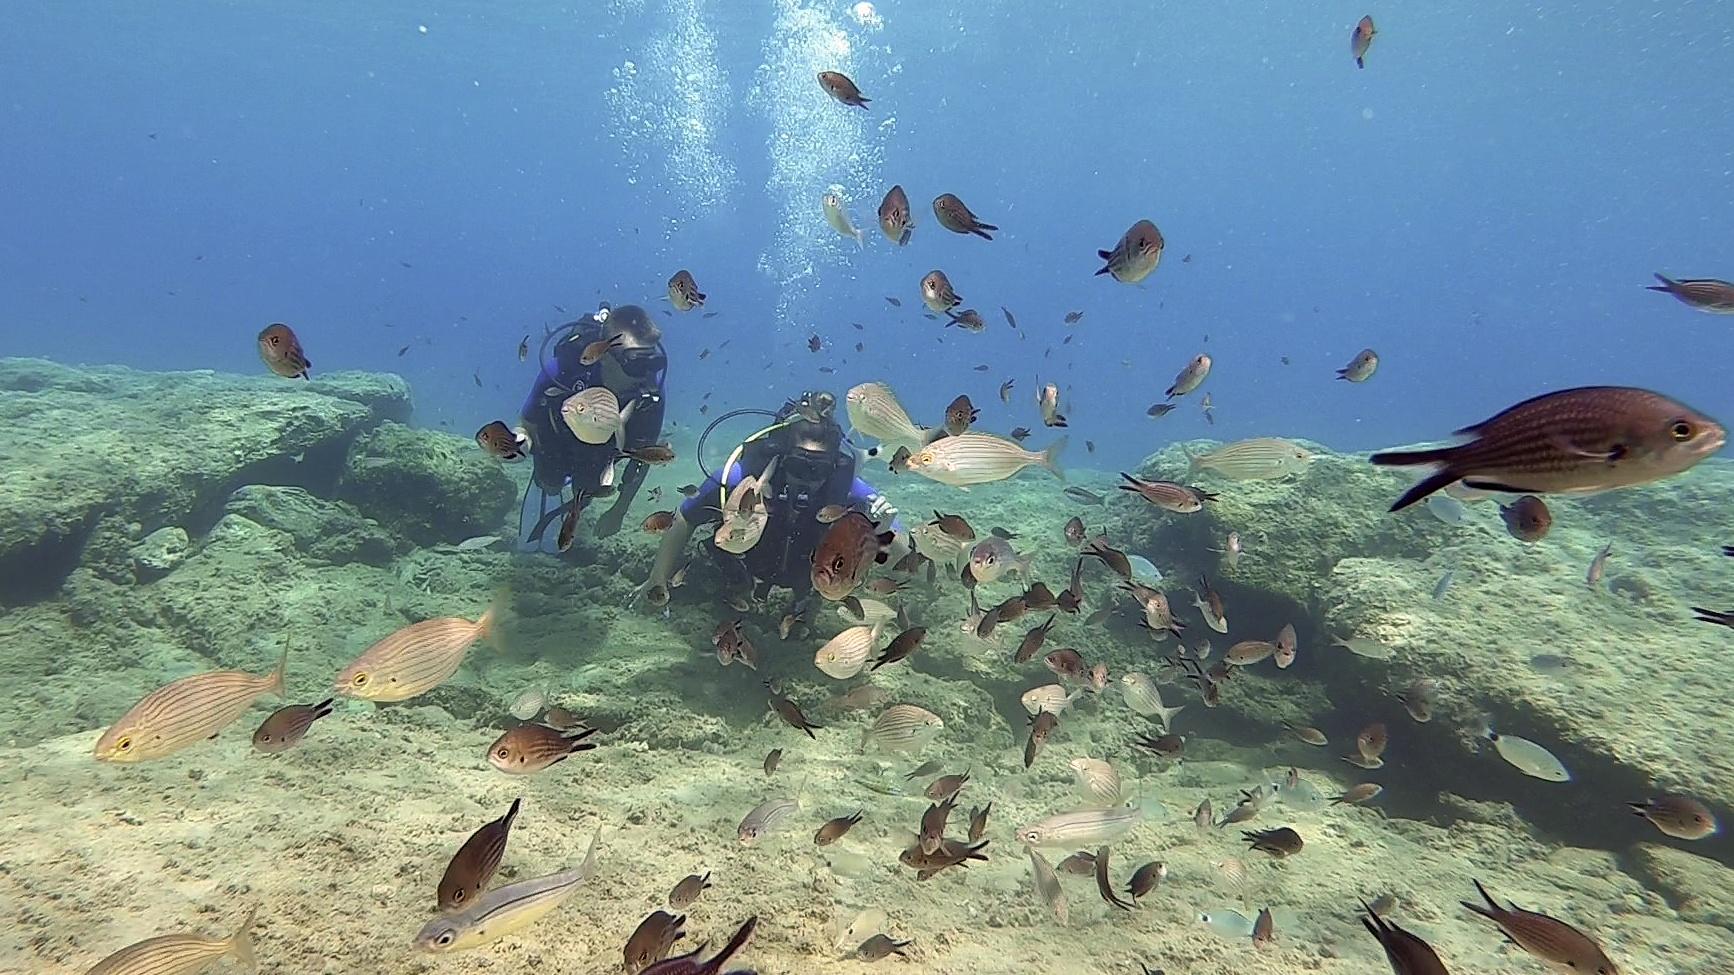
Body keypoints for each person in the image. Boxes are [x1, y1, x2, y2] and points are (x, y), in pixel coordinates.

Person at [640, 389, 904, 618]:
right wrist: (658, 576)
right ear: (782, 455)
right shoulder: (741, 478)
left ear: (833, 466)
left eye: (818, 469)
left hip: (811, 577)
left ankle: (803, 605)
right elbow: (685, 516)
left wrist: (883, 530)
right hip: (737, 567)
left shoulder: (847, 489)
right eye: (798, 465)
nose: (806, 478)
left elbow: (904, 552)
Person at [518, 304, 668, 542]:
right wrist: (520, 444)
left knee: (588, 491)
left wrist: (619, 510)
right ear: (604, 356)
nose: (644, 375)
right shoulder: (563, 369)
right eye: (635, 363)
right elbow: (528, 421)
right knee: (549, 481)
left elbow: (646, 455)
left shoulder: (650, 392)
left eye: (653, 363)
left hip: (602, 452)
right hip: (557, 442)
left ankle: (577, 503)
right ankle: (548, 484)